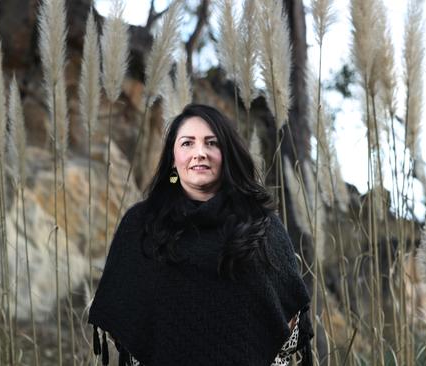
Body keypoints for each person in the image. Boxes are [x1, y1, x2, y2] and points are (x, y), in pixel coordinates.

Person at [88, 104, 313, 366]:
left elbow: (288, 321)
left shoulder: (262, 225)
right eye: (187, 144)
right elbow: (122, 314)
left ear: (226, 154)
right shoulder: (142, 224)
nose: (199, 153)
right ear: (173, 159)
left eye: (211, 143)